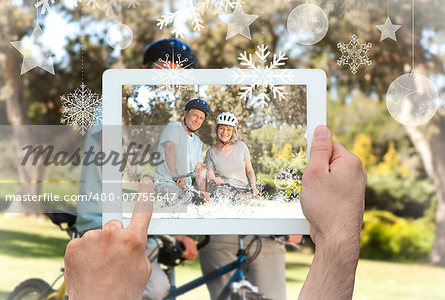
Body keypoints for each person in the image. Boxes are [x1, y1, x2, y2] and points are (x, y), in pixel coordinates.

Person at [65, 125, 367, 299]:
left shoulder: (231, 148)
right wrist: (337, 240)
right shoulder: (198, 148)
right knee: (155, 286)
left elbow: (245, 172)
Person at [74, 38, 203, 300]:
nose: (174, 79)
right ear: (145, 70)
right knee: (154, 287)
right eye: (167, 70)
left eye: (183, 74)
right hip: (105, 223)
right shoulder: (118, 105)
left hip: (138, 226)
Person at [199, 112, 298, 299]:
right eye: (222, 128)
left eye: (228, 129)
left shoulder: (242, 147)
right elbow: (210, 172)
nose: (225, 132)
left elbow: (250, 170)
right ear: (217, 130)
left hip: (242, 190)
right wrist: (215, 179)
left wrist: (253, 186)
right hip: (224, 190)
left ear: (233, 131)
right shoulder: (211, 152)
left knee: (247, 229)